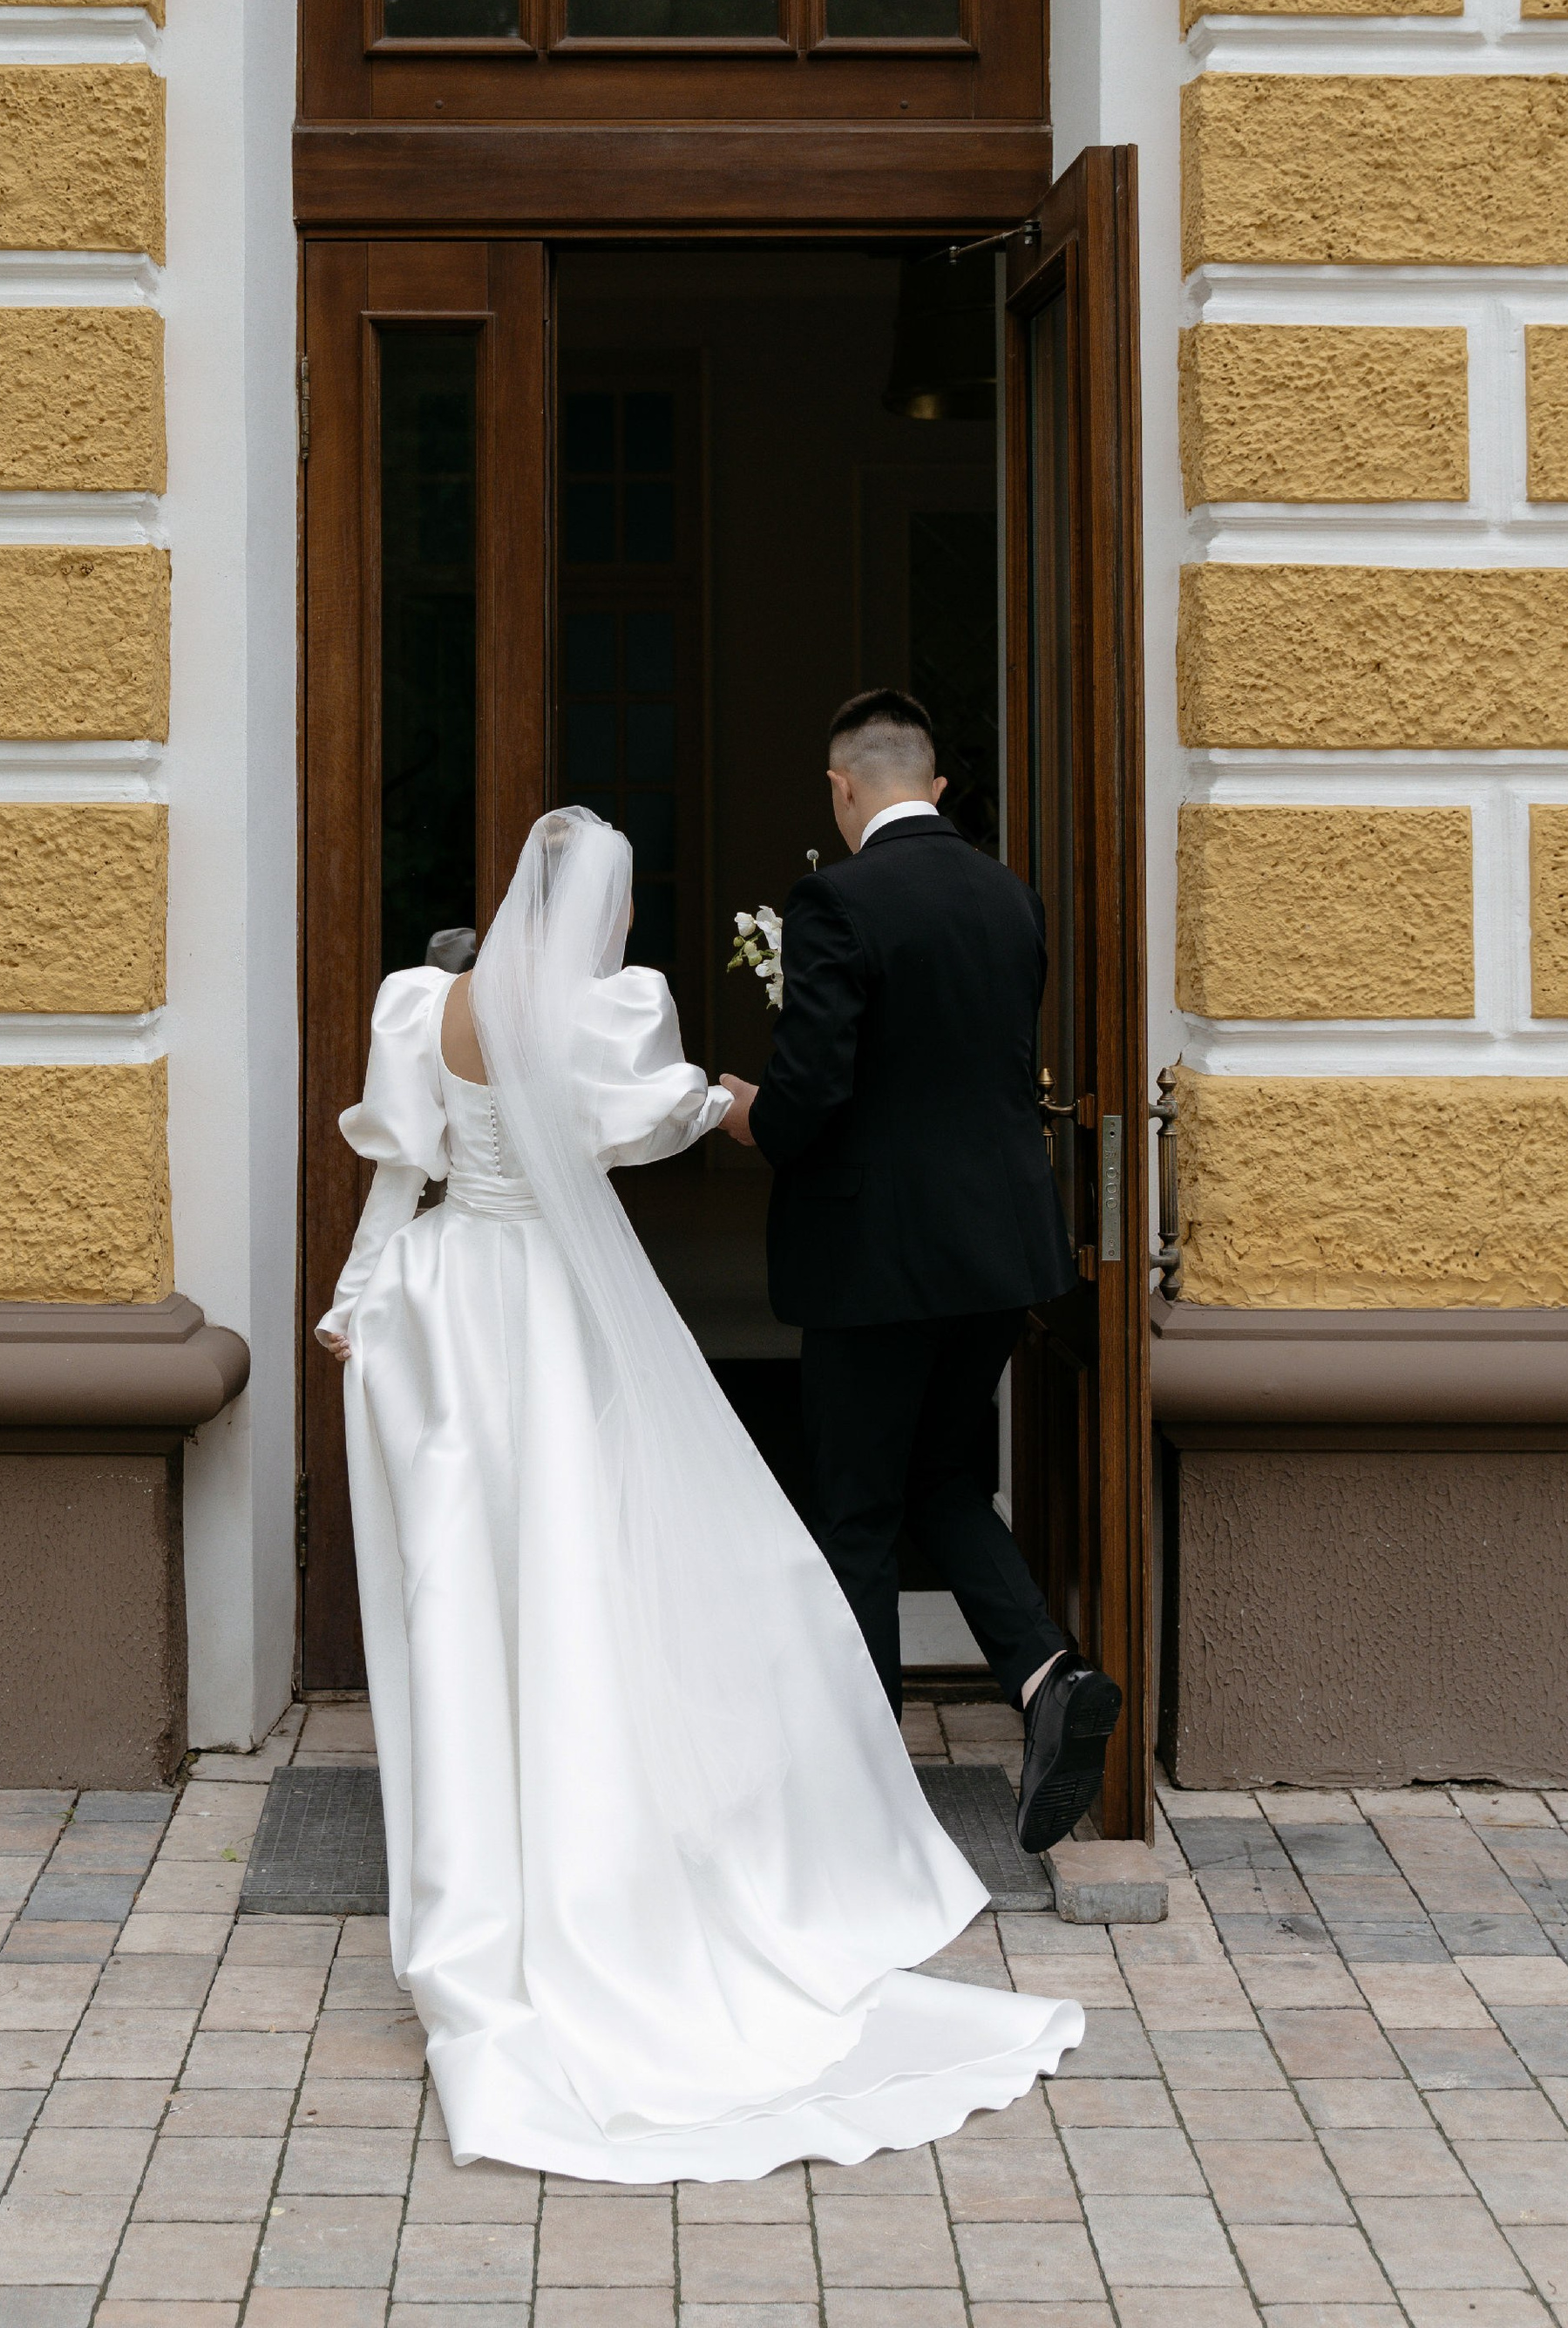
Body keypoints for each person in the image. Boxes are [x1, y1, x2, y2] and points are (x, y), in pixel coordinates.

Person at [318, 806, 1081, 2181]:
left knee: (463, 1585)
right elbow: (654, 1125)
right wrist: (725, 1100)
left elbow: (396, 1163)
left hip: (443, 1307)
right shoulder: (612, 1016)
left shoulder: (421, 1003)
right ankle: (598, 1847)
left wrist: (356, 1298)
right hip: (554, 1305)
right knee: (581, 1569)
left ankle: (484, 1863)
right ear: (599, 916)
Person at [719, 688, 1123, 1855]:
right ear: (935, 788)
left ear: (844, 789)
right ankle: (1051, 1682)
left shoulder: (837, 901)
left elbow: (812, 1101)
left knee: (855, 1506)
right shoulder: (1010, 897)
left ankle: (858, 1769)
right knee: (944, 1482)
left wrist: (749, 1115)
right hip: (1002, 1250)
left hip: (874, 1259)